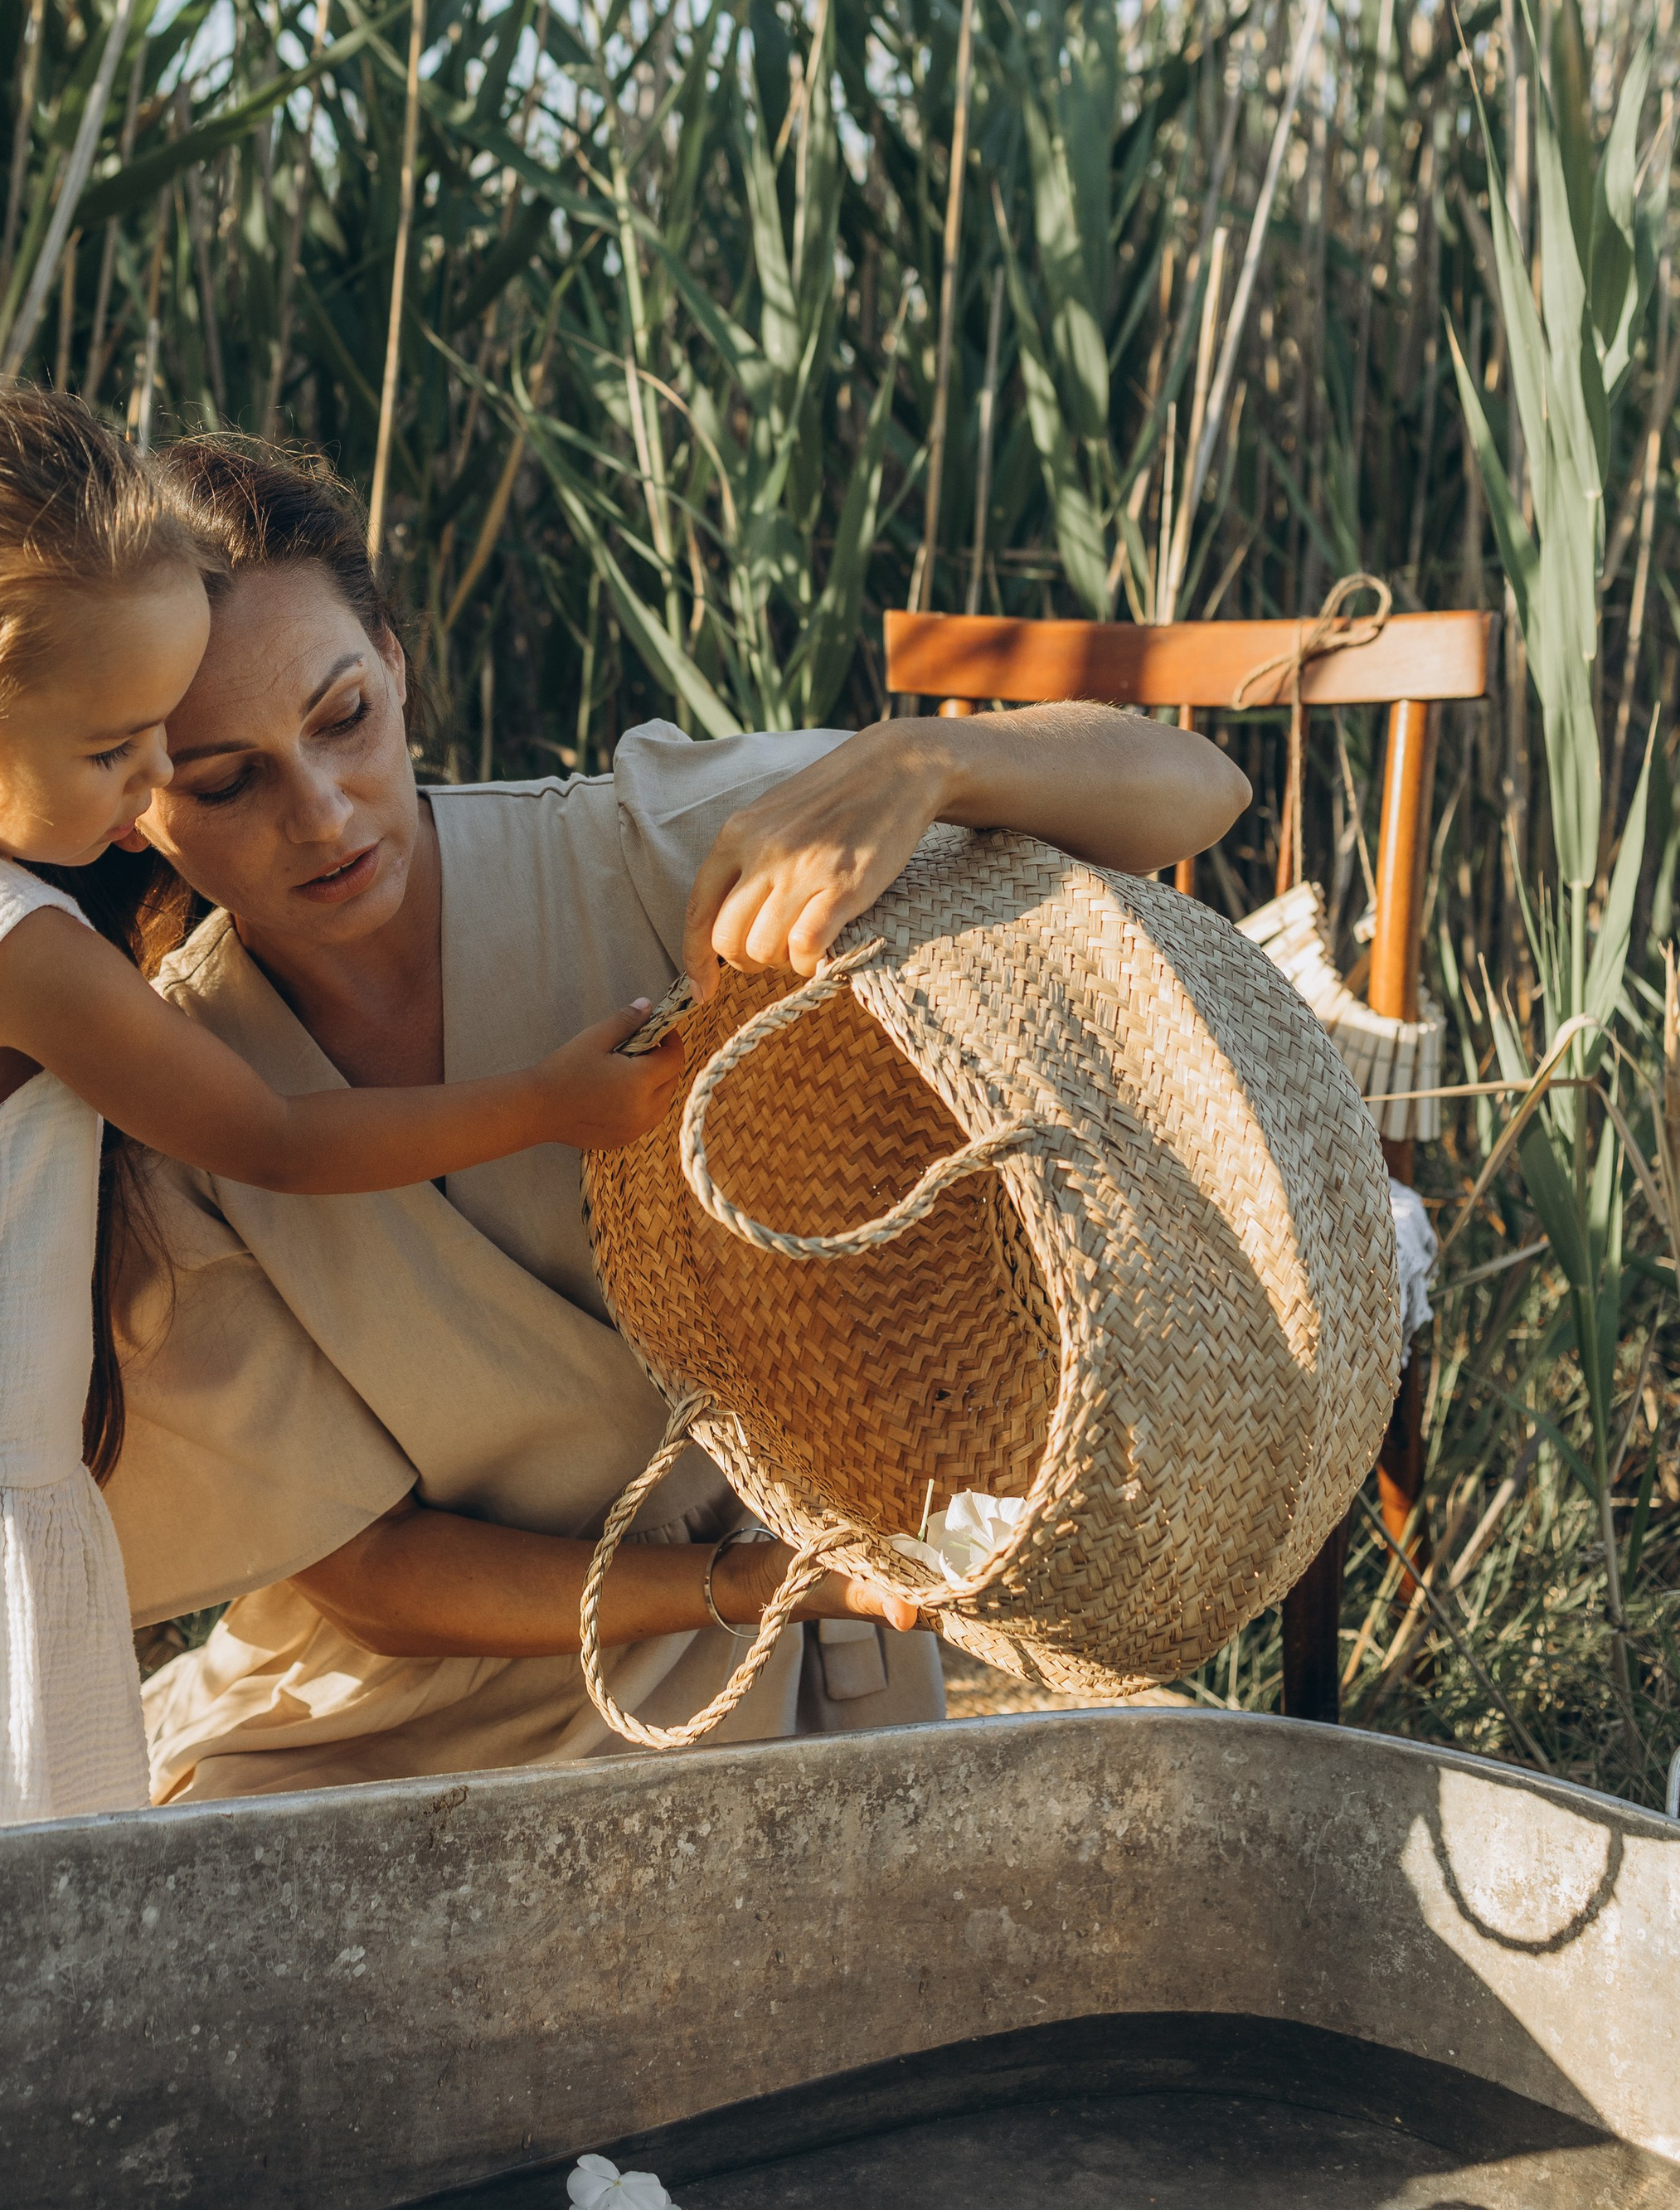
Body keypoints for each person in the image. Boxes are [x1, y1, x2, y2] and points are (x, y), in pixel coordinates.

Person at [0, 387, 681, 1876]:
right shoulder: (20, 952)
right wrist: (545, 1103)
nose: (152, 792)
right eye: (119, 754)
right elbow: (275, 1136)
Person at [100, 437, 1250, 1799]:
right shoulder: (167, 1102)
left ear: (397, 667)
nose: (323, 810)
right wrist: (749, 1581)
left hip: (775, 1680)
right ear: (131, 807)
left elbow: (1195, 790)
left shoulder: (647, 850)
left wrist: (927, 759)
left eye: (344, 717)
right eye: (226, 782)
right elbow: (375, 1582)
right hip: (369, 1728)